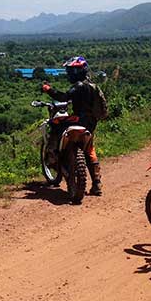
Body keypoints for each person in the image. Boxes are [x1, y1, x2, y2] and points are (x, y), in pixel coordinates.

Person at [41, 56, 106, 196]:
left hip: (78, 120)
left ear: (77, 72)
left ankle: (53, 156)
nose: (69, 74)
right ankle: (97, 183)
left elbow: (64, 98)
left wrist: (48, 90)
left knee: (55, 124)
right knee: (89, 149)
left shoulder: (78, 86)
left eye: (71, 71)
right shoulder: (93, 86)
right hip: (91, 123)